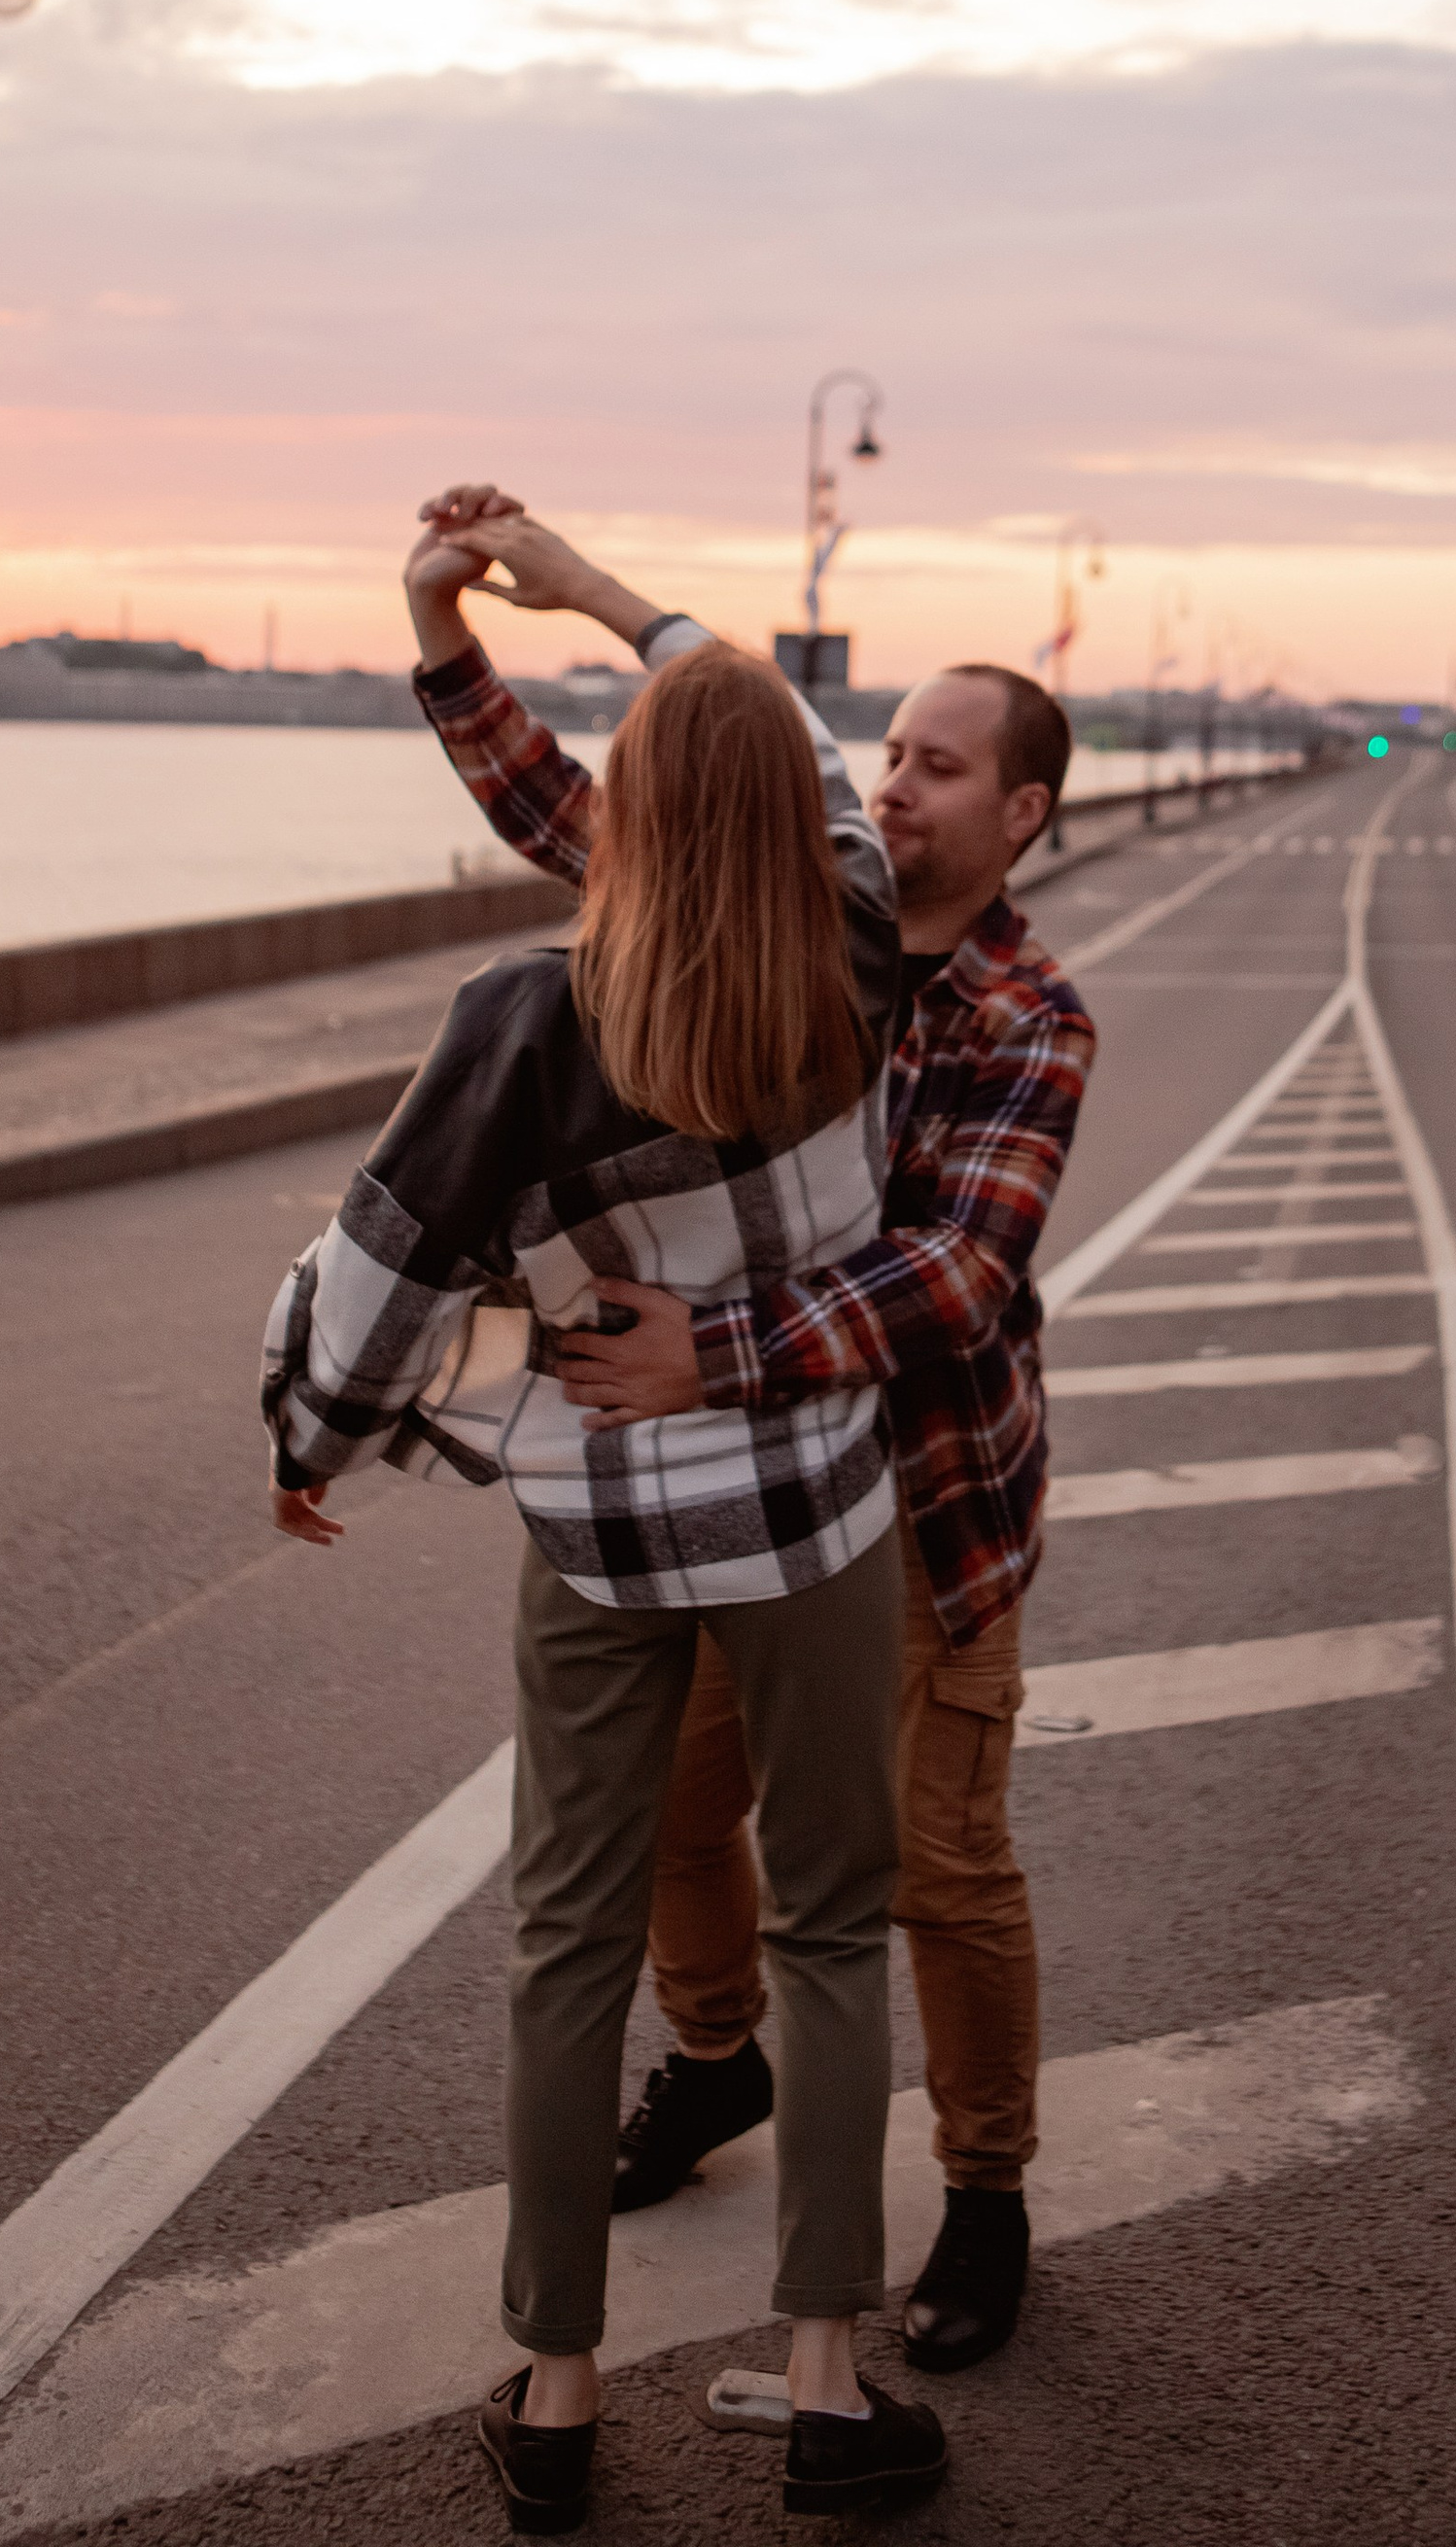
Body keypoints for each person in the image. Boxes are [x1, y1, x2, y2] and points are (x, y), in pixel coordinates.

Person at [260, 614, 951, 2531]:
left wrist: (304, 1451)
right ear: (789, 814)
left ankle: (553, 2392)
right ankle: (825, 2379)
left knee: (569, 1940)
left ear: (625, 814)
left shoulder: (522, 1026)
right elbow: (808, 763)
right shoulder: (858, 948)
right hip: (815, 1516)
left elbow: (375, 1307)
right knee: (825, 1926)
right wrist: (607, 598)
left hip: (604, 1541)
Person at [407, 487, 1096, 2380]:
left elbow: (955, 1276)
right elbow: (595, 819)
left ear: (1022, 809)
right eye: (890, 753)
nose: (901, 783)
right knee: (656, 1831)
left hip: (925, 1514)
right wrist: (463, 643)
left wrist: (712, 1347)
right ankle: (713, 2060)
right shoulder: (788, 905)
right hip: (721, 1510)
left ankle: (983, 2192)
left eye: (942, 765)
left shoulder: (1030, 1016)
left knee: (933, 1878)